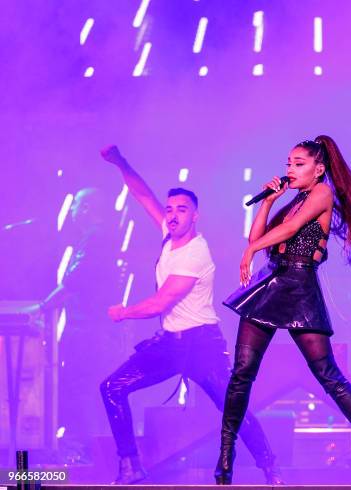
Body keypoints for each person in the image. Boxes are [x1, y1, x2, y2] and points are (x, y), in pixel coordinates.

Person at [217, 136, 351, 485]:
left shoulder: (322, 194)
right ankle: (226, 452)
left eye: (298, 163)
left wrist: (250, 253)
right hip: (270, 283)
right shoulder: (293, 200)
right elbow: (258, 237)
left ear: (318, 168)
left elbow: (291, 230)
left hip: (299, 285)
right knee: (242, 372)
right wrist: (267, 202)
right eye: (288, 163)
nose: (290, 169)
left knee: (327, 374)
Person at [98, 145, 282, 485]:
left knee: (232, 408)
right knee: (111, 387)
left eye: (181, 210)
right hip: (170, 345)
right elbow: (143, 195)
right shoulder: (169, 237)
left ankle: (270, 467)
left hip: (202, 346)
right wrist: (121, 162)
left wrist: (123, 313)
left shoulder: (196, 253)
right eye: (169, 209)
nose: (171, 215)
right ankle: (130, 466)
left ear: (194, 216)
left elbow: (160, 302)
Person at [38, 187, 124, 463]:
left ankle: (88, 451)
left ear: (86, 208)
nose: (71, 210)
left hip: (88, 328)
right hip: (94, 327)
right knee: (87, 385)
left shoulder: (95, 238)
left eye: (75, 204)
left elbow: (73, 281)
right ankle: (94, 448)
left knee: (80, 384)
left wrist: (40, 308)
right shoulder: (99, 237)